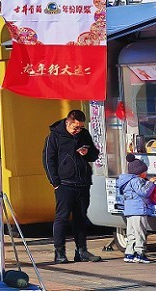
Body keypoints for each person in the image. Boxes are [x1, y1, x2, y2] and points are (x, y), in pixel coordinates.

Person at [43, 109, 102, 264]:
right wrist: (55, 182)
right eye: (75, 127)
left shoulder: (84, 134)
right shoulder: (54, 137)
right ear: (67, 123)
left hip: (82, 182)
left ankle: (81, 250)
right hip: (64, 183)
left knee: (81, 217)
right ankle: (59, 252)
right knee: (62, 218)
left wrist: (87, 152)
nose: (78, 130)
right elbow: (48, 160)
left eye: (80, 127)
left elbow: (95, 154)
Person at [117, 153, 156, 263]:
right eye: (145, 171)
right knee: (140, 232)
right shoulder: (136, 180)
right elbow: (144, 192)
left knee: (131, 233)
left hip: (129, 210)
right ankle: (140, 254)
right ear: (139, 172)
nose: (146, 173)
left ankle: (129, 254)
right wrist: (150, 183)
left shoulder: (125, 180)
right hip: (138, 210)